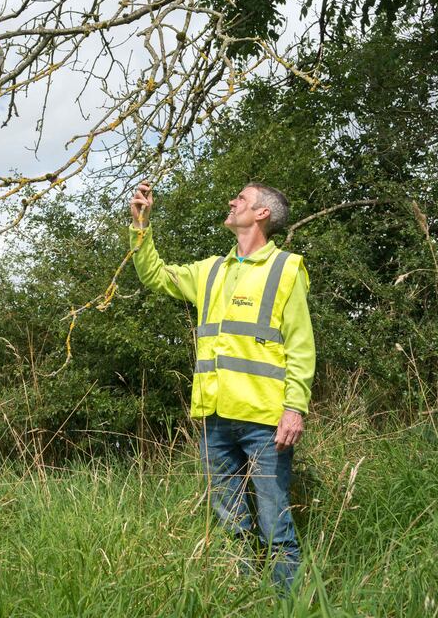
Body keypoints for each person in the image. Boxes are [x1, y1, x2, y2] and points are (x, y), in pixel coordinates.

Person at [129, 181, 315, 595]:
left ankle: (288, 605)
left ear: (262, 214)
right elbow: (156, 276)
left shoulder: (286, 268)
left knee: (275, 525)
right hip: (215, 420)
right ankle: (242, 600)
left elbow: (301, 346)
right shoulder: (210, 270)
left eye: (242, 199)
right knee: (230, 526)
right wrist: (141, 227)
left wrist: (294, 408)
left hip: (265, 422)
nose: (233, 202)